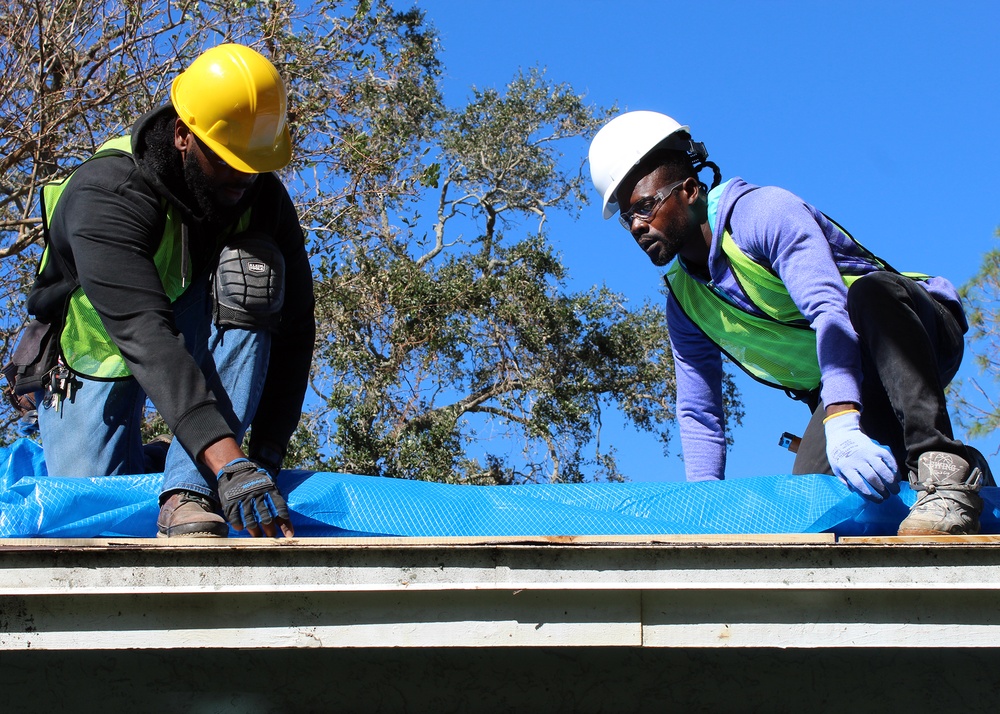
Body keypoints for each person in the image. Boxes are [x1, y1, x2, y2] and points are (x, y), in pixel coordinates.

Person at [588, 110, 985, 536]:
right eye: (628, 218)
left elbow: (829, 313)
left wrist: (843, 421)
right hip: (853, 381)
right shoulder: (684, 303)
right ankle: (959, 472)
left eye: (645, 207)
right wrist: (700, 515)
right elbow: (699, 411)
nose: (637, 225)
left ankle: (944, 473)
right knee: (811, 508)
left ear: (689, 191)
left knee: (870, 293)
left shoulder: (762, 214)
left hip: (914, 331)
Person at [23, 43, 315, 538]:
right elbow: (146, 333)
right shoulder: (109, 193)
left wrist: (259, 461)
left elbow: (296, 327)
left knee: (254, 274)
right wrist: (227, 459)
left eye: (254, 162)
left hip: (188, 326)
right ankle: (174, 458)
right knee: (92, 510)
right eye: (227, 159)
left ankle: (187, 490)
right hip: (98, 347)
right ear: (184, 135)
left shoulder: (259, 194)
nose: (243, 177)